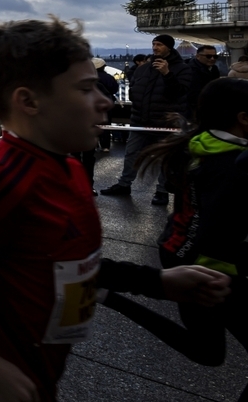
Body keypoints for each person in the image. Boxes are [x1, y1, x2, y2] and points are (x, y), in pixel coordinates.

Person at [0, 17, 230, 402]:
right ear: (29, 101)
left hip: (34, 380)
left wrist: (158, 282)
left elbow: (64, 261)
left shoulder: (67, 168)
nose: (106, 100)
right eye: (85, 89)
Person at [97, 77, 248, 399]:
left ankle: (109, 296)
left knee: (207, 350)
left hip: (180, 249)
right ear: (243, 118)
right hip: (213, 267)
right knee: (206, 350)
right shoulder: (233, 163)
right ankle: (109, 296)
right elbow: (216, 224)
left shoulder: (197, 144)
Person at [101, 34, 193, 206]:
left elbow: (179, 92)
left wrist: (167, 74)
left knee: (166, 158)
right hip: (140, 119)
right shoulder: (144, 68)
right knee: (131, 153)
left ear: (169, 47)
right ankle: (124, 184)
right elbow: (135, 86)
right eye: (154, 44)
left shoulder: (182, 68)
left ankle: (162, 191)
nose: (155, 47)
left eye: (159, 45)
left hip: (165, 122)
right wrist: (135, 97)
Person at [186, 45, 221, 120]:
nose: (212, 59)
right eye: (208, 56)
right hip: (195, 108)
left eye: (215, 56)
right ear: (198, 56)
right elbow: (192, 93)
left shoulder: (214, 69)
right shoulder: (190, 70)